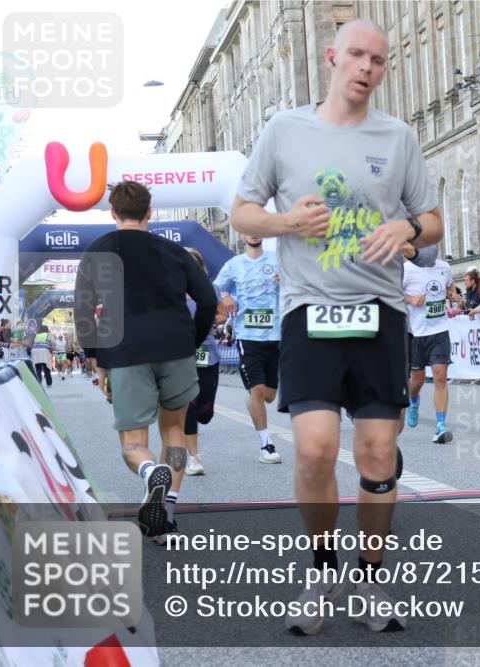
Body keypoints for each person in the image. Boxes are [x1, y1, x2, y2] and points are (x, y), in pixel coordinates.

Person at [229, 18, 443, 636]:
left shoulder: (397, 137)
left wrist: (406, 228)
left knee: (377, 452)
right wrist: (286, 224)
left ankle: (371, 579)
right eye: (356, 55)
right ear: (332, 58)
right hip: (309, 308)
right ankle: (323, 573)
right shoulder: (284, 129)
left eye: (378, 59)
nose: (366, 68)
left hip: (380, 311)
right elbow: (242, 212)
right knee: (315, 449)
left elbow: (433, 222)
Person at [74, 181, 216, 539]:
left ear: (113, 212)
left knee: (134, 443)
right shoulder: (175, 251)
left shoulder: (98, 250)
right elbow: (208, 301)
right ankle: (166, 516)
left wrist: (95, 356)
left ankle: (150, 472)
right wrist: (191, 340)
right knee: (175, 432)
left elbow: (84, 309)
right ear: (149, 212)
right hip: (176, 348)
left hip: (125, 351)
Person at [214, 233, 283, 464]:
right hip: (247, 336)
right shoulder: (233, 265)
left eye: (257, 229)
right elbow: (216, 287)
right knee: (258, 390)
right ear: (242, 234)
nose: (253, 233)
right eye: (248, 230)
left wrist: (287, 280)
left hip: (275, 334)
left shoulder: (277, 259)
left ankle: (254, 398)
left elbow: (299, 283)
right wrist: (225, 296)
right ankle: (266, 445)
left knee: (269, 396)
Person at [403, 245, 454, 444]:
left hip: (439, 331)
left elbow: (449, 286)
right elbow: (393, 292)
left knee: (441, 377)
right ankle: (413, 400)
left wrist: (452, 294)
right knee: (417, 379)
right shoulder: (407, 269)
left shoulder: (444, 267)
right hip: (416, 332)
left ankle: (441, 425)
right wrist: (411, 299)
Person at [184, 248, 228, 477]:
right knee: (188, 406)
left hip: (207, 353)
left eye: (194, 263)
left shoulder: (210, 288)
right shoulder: (172, 288)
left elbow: (222, 315)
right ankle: (194, 457)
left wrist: (207, 318)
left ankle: (199, 420)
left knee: (205, 413)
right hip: (181, 355)